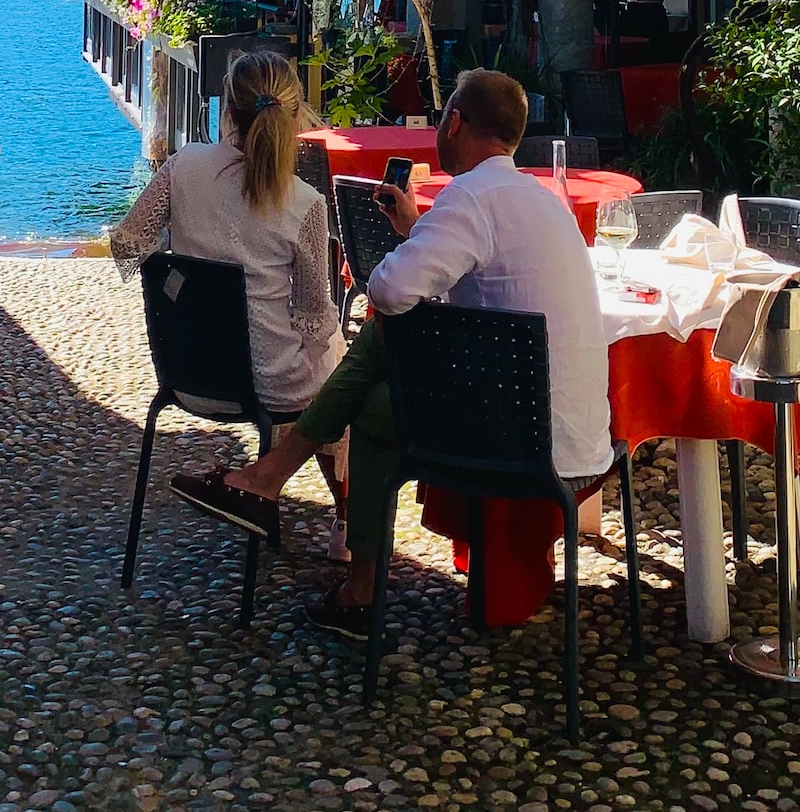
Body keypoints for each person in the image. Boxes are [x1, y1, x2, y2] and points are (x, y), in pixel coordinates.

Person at [195, 67, 611, 639]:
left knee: (377, 378)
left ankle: (338, 560)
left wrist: (415, 240)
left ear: (456, 121)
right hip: (576, 434)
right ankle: (285, 494)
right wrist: (420, 232)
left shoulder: (470, 199)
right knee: (384, 356)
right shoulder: (541, 201)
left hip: (514, 438)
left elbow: (388, 291)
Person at [111, 51, 349, 557]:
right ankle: (347, 523)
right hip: (269, 383)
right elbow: (314, 317)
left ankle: (271, 489)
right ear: (295, 112)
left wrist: (179, 282)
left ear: (228, 108)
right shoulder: (304, 202)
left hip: (188, 369)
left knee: (332, 368)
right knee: (342, 375)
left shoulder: (184, 167)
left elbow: (130, 243)